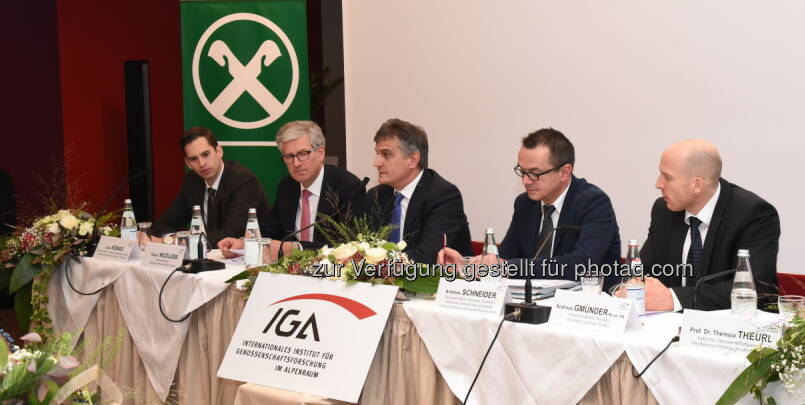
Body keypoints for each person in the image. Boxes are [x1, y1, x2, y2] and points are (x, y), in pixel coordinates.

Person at [438, 128, 621, 282]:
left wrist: (507, 267)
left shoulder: (593, 202)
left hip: (585, 309)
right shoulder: (525, 204)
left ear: (565, 172)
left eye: (534, 173)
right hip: (534, 302)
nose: (525, 181)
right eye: (522, 171)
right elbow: (507, 256)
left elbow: (580, 265)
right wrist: (467, 265)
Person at [637, 139, 780, 311]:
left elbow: (756, 287)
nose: (658, 184)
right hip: (667, 326)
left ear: (697, 185)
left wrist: (674, 299)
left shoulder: (753, 214)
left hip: (726, 331)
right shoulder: (664, 211)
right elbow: (643, 271)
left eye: (667, 177)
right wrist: (631, 286)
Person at [217, 120, 366, 255]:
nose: (296, 163)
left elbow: (348, 246)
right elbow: (270, 230)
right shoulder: (287, 186)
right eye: (289, 156)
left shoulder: (348, 187)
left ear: (320, 153)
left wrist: (296, 248)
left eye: (302, 154)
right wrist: (243, 243)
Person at [366, 119, 471, 263]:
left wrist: (377, 263)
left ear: (413, 159)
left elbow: (428, 257)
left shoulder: (443, 196)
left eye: (386, 154)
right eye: (377, 153)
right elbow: (365, 246)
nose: (376, 162)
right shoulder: (376, 196)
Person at [150, 127, 270, 247]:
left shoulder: (243, 180)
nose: (202, 164)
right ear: (188, 163)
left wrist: (178, 240)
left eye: (205, 154)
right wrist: (159, 237)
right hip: (210, 257)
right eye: (194, 159)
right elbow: (165, 224)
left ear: (219, 151)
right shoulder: (192, 181)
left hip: (251, 257)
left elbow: (230, 234)